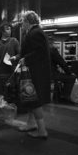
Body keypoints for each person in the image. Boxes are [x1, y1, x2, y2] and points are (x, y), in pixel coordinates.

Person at [18, 11, 51, 139]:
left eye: (23, 22)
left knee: (35, 100)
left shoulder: (35, 33)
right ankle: (31, 123)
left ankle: (42, 130)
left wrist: (26, 59)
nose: (22, 24)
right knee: (32, 98)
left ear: (27, 22)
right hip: (38, 71)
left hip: (36, 73)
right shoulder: (37, 32)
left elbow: (40, 51)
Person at [0, 22, 20, 101]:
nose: (10, 31)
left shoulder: (14, 41)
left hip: (11, 71)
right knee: (0, 94)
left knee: (10, 93)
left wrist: (15, 57)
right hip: (0, 72)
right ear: (2, 31)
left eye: (10, 29)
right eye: (7, 29)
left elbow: (20, 54)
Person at [48, 37, 76, 103]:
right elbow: (61, 62)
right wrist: (69, 72)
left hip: (42, 75)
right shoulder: (52, 50)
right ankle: (64, 97)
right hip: (53, 74)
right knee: (71, 78)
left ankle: (56, 95)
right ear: (51, 42)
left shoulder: (41, 49)